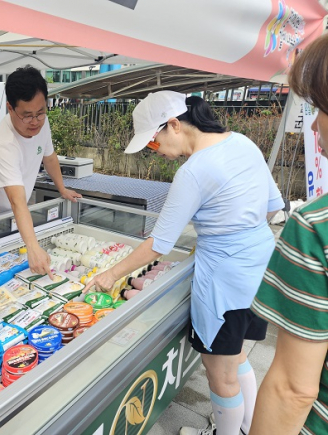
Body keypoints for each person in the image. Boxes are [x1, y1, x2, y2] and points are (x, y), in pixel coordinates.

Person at [82, 90, 283, 435]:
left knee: (220, 374)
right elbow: (273, 207)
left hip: (224, 283)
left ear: (174, 125)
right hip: (260, 269)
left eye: (153, 142)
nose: (155, 150)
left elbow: (159, 244)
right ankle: (248, 426)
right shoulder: (243, 142)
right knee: (237, 356)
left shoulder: (193, 171)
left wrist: (110, 274)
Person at [250, 34, 328, 435]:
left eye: (321, 109)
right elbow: (271, 204)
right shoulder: (244, 147)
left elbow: (293, 389)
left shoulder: (315, 225)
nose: (314, 125)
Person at [0, 65, 81, 277]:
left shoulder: (42, 123)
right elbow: (17, 201)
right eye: (27, 116)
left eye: (40, 113)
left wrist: (62, 189)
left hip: (14, 218)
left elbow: (49, 157)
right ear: (10, 108)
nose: (35, 122)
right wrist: (33, 247)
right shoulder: (5, 144)